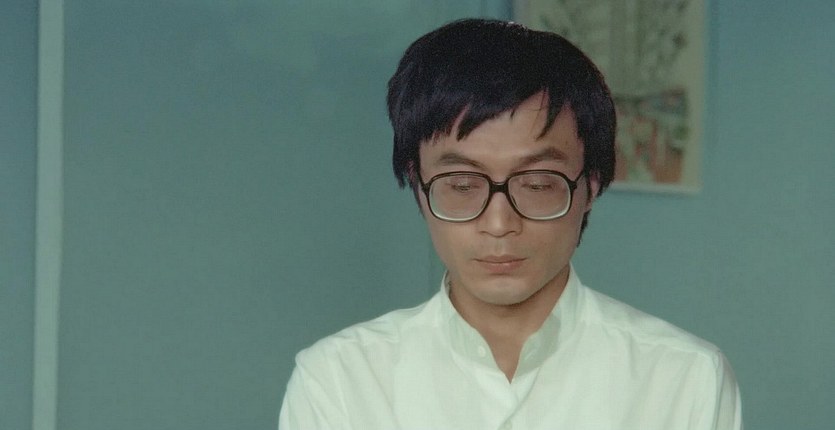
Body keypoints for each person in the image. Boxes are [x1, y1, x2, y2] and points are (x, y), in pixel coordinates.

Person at [279, 18, 742, 430]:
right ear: (418, 187)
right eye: (462, 185)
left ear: (591, 186)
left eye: (537, 184)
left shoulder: (686, 377)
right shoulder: (339, 379)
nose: (499, 223)